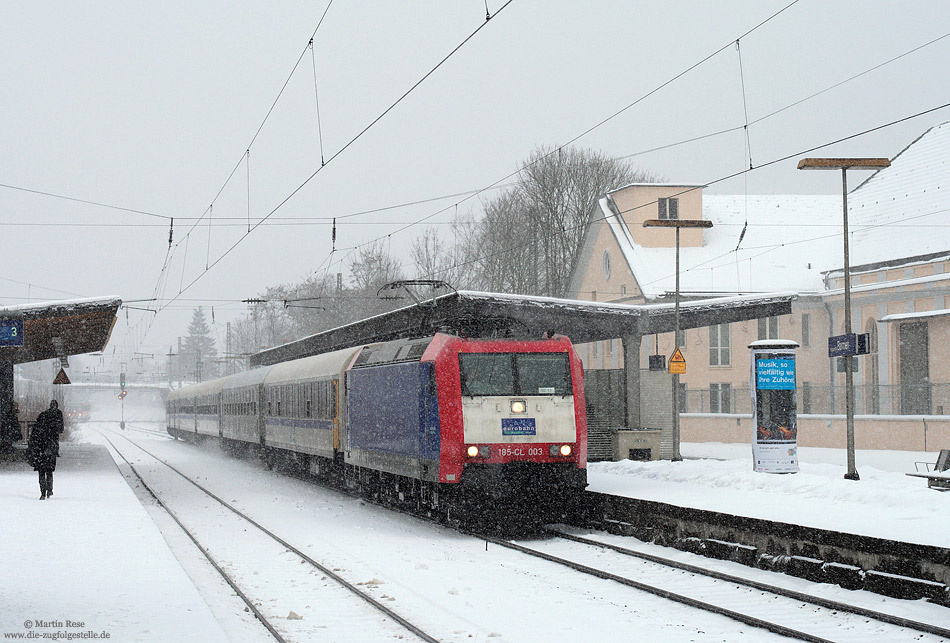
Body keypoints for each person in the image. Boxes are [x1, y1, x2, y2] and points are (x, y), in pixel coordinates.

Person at [29, 400, 63, 500]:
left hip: (40, 450)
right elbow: (60, 429)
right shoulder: (56, 418)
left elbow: (33, 438)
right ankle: (49, 490)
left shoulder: (42, 418)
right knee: (49, 471)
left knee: (41, 471)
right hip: (50, 449)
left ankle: (43, 492)